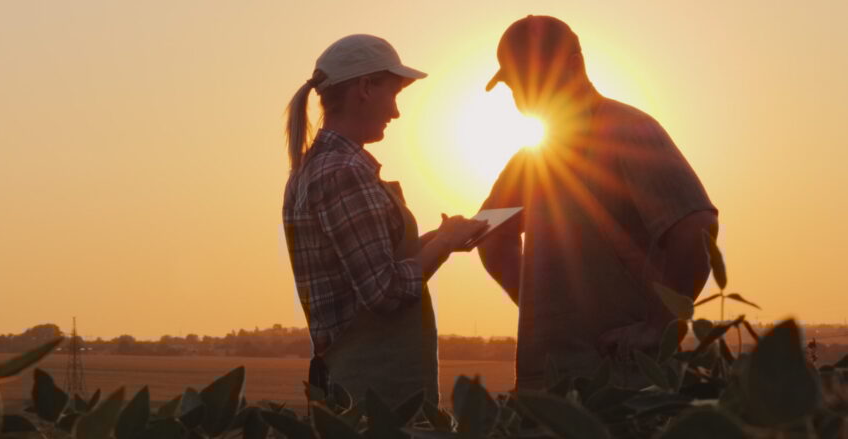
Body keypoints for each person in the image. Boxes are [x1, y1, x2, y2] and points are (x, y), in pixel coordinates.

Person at [477, 16, 719, 389]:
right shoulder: (531, 158)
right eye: (514, 84)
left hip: (622, 379)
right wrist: (542, 312)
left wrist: (659, 326)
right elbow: (491, 236)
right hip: (554, 381)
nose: (522, 94)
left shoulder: (626, 129)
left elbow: (695, 227)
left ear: (574, 64)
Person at [283, 34, 488, 405]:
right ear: (364, 88)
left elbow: (366, 267)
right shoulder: (342, 172)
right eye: (393, 94)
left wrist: (442, 238)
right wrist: (443, 244)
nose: (396, 112)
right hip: (375, 400)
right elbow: (385, 292)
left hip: (356, 390)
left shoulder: (316, 168)